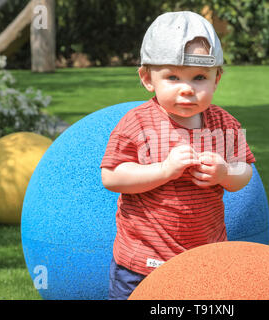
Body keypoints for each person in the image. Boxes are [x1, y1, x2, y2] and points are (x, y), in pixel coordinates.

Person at [100, 11, 256, 300]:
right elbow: (112, 176)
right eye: (172, 77)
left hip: (205, 259)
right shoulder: (137, 123)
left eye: (199, 78)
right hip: (142, 263)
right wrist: (164, 170)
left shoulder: (225, 124)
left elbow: (244, 172)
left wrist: (224, 173)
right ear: (148, 78)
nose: (187, 89)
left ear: (217, 79)